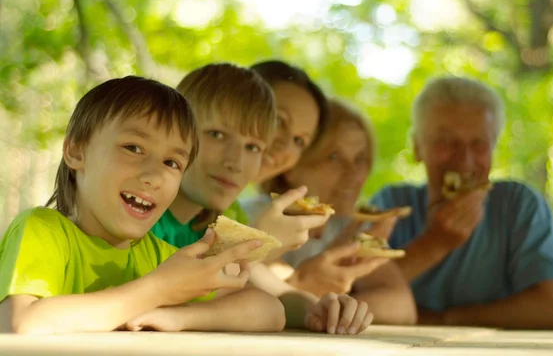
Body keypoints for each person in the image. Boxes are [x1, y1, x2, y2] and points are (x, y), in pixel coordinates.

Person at [0, 76, 285, 334]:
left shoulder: (158, 257)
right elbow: (20, 323)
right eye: (134, 148)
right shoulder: (43, 231)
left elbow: (269, 310)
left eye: (172, 163)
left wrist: (181, 317)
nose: (155, 176)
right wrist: (158, 290)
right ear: (76, 151)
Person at [151, 63, 374, 335]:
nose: (235, 161)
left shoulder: (221, 218)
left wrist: (317, 309)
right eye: (217, 135)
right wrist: (260, 241)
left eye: (253, 147)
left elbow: (266, 287)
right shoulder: (142, 210)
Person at [370, 76, 553, 330]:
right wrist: (436, 242)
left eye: (479, 144)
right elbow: (355, 297)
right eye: (446, 141)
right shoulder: (391, 205)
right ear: (417, 147)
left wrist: (439, 321)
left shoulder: (518, 206)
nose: (465, 161)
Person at [243, 98, 417, 325]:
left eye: (360, 159)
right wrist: (312, 292)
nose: (354, 174)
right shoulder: (256, 217)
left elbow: (402, 306)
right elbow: (274, 295)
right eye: (334, 157)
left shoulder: (346, 224)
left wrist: (341, 309)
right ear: (292, 165)